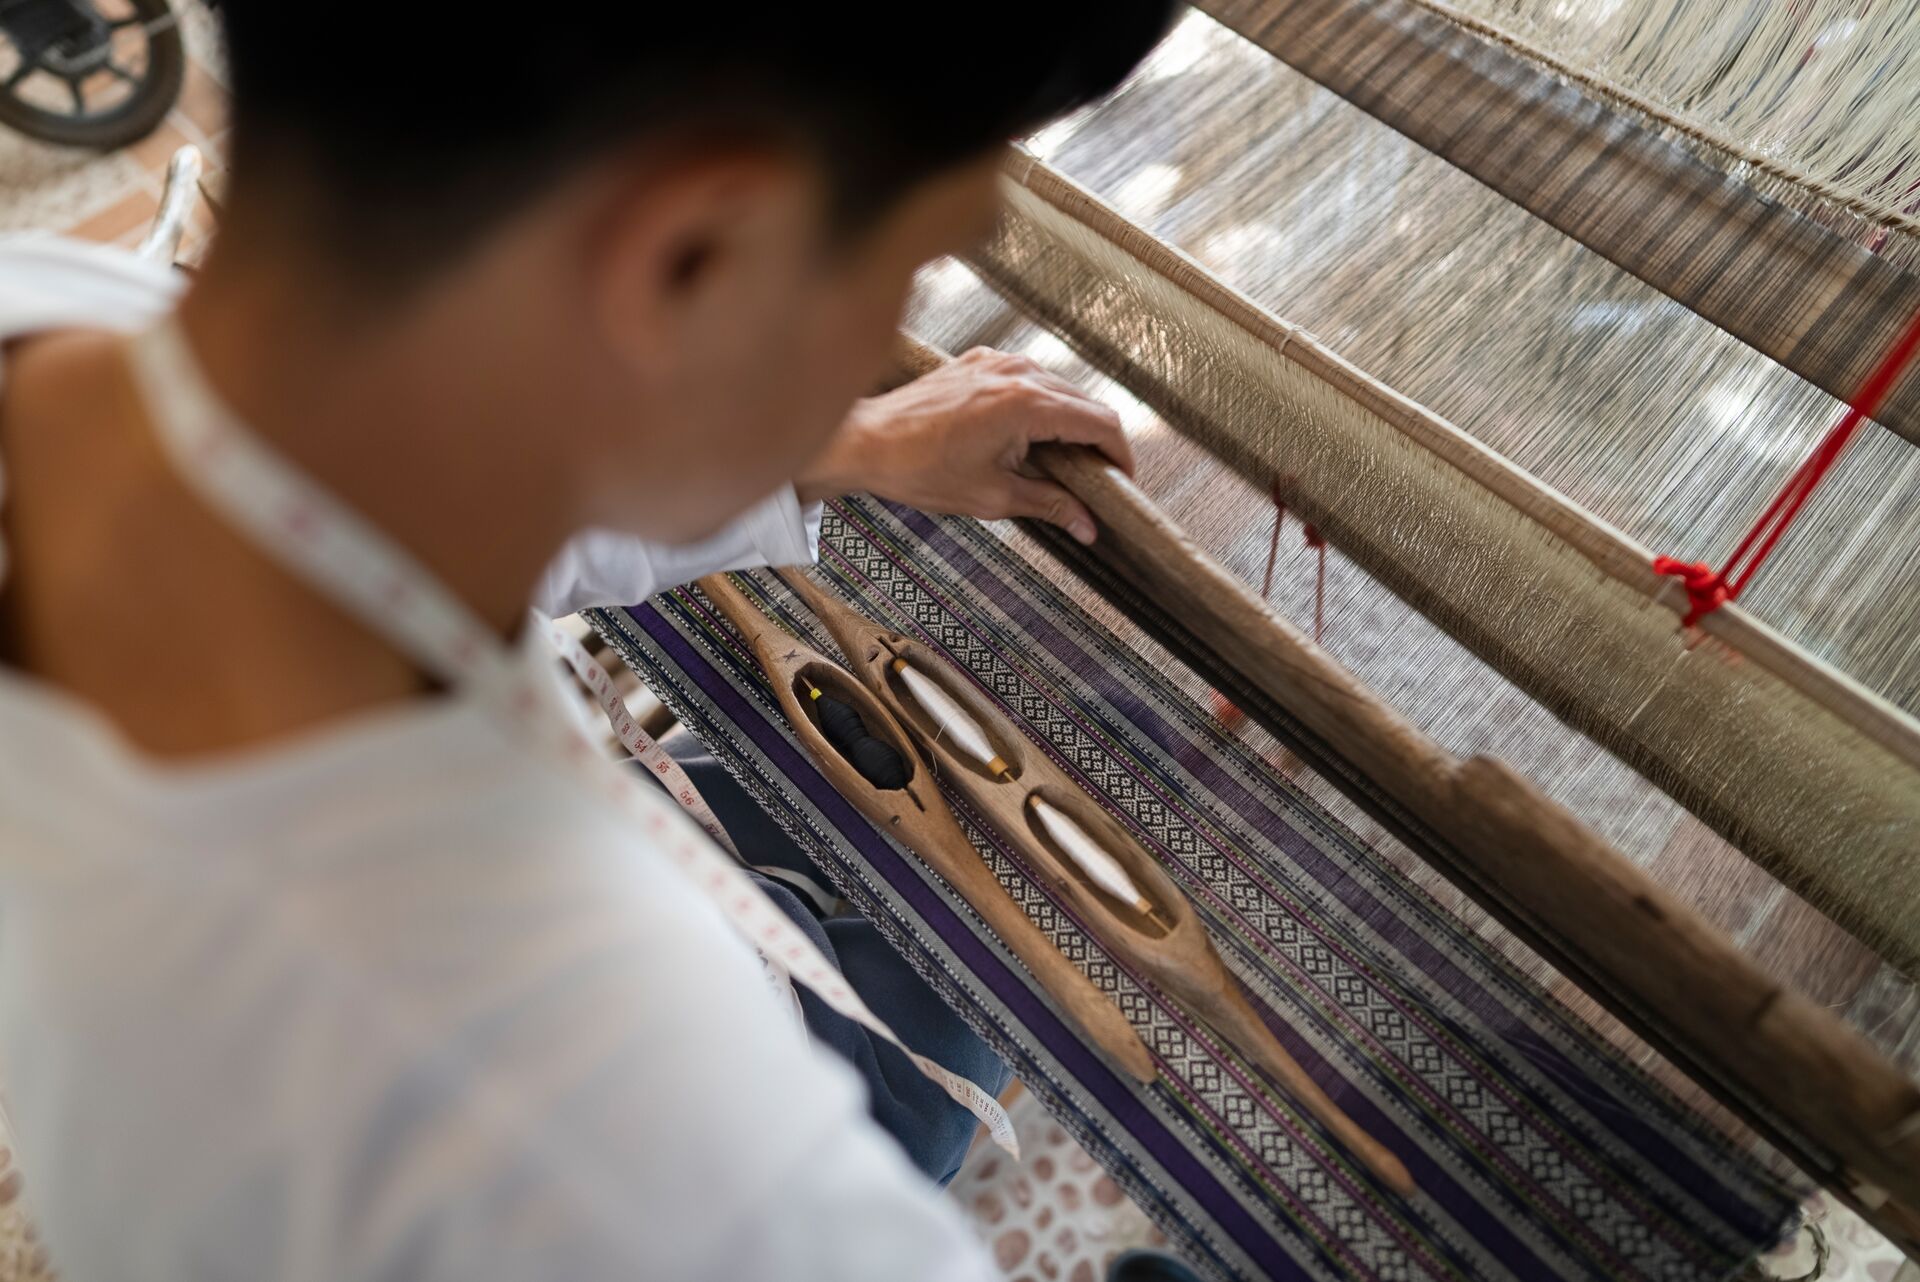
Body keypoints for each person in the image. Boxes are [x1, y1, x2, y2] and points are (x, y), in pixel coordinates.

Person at [0, 6, 1174, 1280]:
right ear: (689, 261)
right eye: (925, 254)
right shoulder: (670, 1184)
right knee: (1040, 928)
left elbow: (420, 494)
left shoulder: (63, 327)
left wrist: (849, 445)